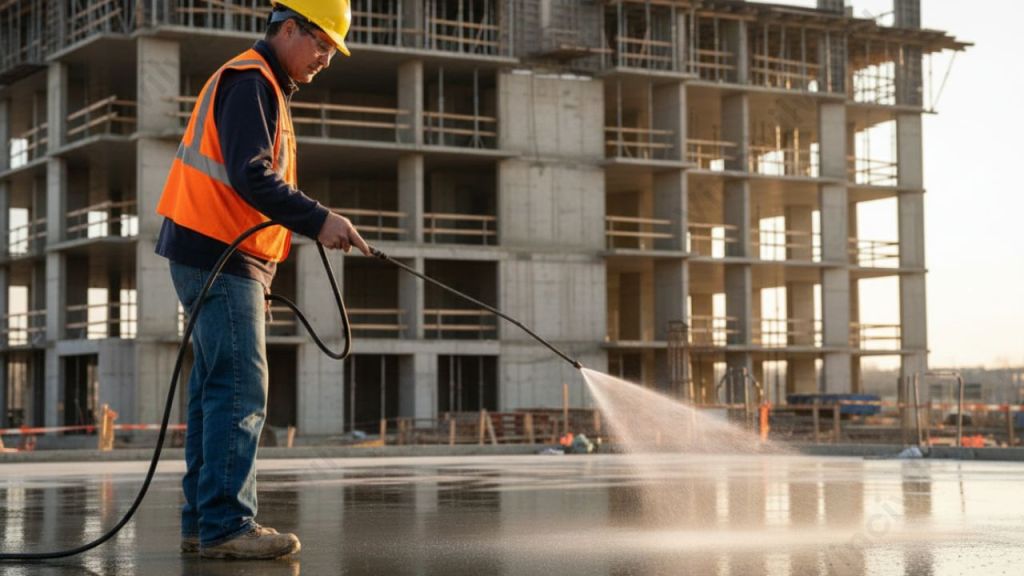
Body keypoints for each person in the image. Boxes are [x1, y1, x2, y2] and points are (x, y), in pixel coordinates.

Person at [155, 0, 367, 560]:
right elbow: (252, 176)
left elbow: (247, 187)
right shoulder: (251, 80)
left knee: (212, 391)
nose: (326, 58)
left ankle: (204, 523)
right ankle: (228, 524)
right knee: (239, 388)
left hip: (219, 253)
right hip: (218, 251)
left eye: (331, 49)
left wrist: (261, 273)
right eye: (321, 43)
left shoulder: (262, 85)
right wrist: (321, 220)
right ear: (289, 27)